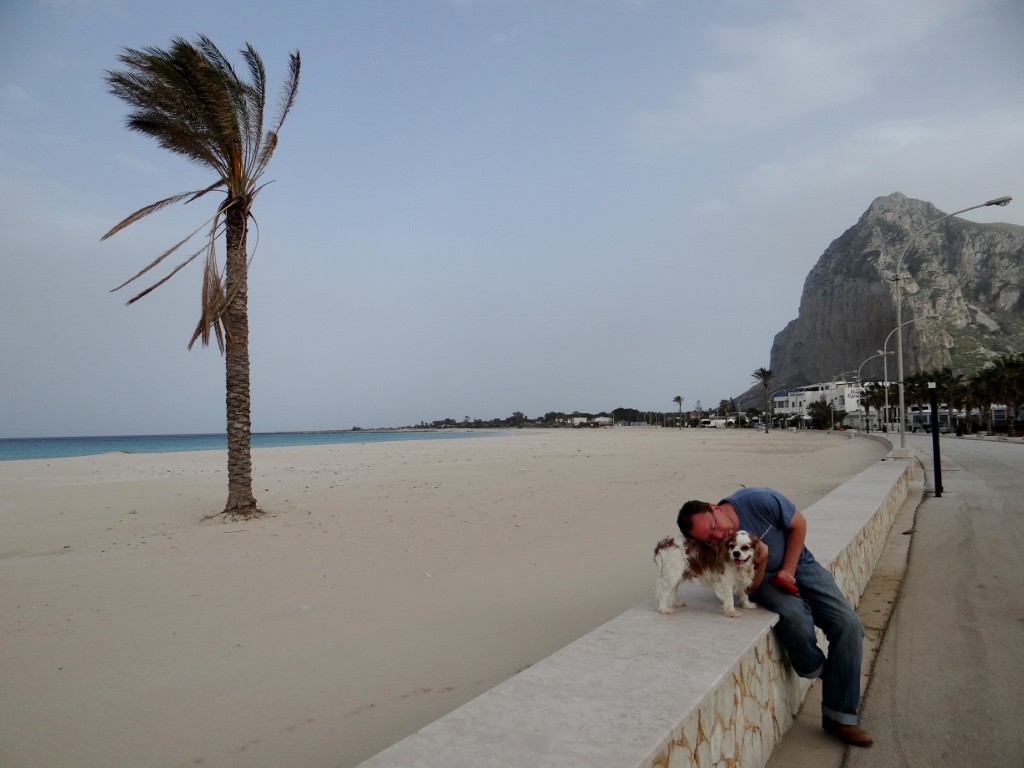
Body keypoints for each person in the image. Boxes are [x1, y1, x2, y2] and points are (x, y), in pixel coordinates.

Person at [678, 487, 873, 748]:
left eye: (714, 527)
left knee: (848, 624)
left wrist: (789, 570)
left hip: (800, 563)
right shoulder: (724, 547)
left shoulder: (758, 500)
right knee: (796, 618)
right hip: (763, 580)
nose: (718, 536)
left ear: (715, 507)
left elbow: (799, 524)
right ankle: (822, 672)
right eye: (709, 538)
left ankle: (840, 718)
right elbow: (748, 590)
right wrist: (762, 562)